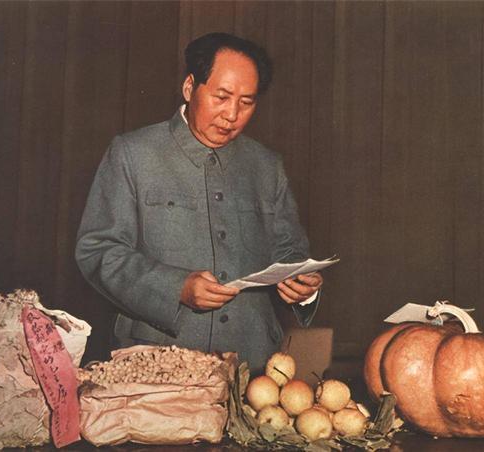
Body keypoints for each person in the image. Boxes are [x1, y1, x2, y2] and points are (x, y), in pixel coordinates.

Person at [75, 32, 323, 374]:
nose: (232, 114)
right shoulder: (132, 154)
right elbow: (99, 251)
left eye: (246, 102)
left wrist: (303, 285)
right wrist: (175, 288)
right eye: (221, 97)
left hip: (253, 367)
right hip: (157, 366)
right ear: (190, 87)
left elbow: (290, 249)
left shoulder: (267, 166)